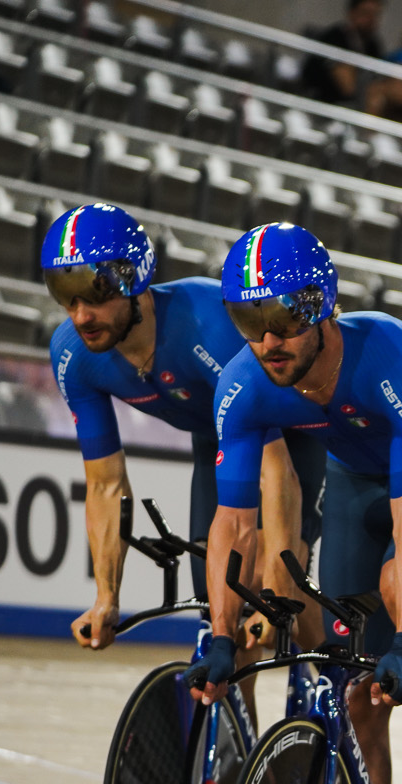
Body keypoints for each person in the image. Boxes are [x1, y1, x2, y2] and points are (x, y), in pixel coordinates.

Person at [192, 222, 402, 784]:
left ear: (325, 306)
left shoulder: (390, 356)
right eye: (249, 322)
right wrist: (221, 635)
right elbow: (234, 523)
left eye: (284, 317)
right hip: (356, 475)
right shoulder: (242, 388)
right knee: (354, 681)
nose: (269, 340)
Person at [40, 204, 323, 650]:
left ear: (133, 278)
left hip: (295, 432)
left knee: (265, 583)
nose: (81, 316)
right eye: (66, 297)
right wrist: (106, 599)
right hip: (221, 439)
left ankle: (331, 680)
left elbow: (276, 471)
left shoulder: (208, 324)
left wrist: (276, 589)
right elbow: (105, 485)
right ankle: (234, 718)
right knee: (221, 610)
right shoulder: (73, 355)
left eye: (94, 295)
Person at [301, 0, 385, 105]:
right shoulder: (335, 37)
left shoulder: (373, 46)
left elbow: (377, 88)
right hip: (318, 102)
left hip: (350, 107)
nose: (371, 19)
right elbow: (347, 87)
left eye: (375, 15)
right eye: (365, 13)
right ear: (352, 13)